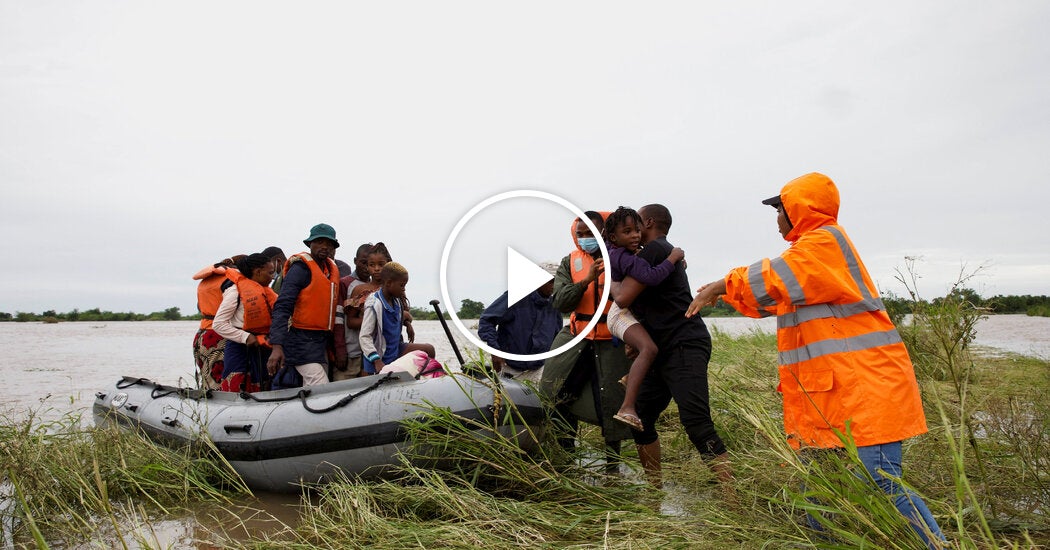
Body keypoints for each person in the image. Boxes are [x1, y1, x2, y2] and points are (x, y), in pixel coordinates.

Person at [686, 173, 944, 546]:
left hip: (868, 389)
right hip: (834, 393)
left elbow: (776, 277)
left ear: (798, 209)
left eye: (779, 211)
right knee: (822, 485)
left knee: (882, 482)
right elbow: (769, 298)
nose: (777, 220)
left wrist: (723, 284)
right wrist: (727, 293)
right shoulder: (809, 256)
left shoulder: (824, 243)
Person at [612, 204, 731, 486]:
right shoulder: (658, 254)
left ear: (648, 222)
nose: (633, 231)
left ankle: (733, 499)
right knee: (640, 417)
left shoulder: (656, 250)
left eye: (636, 223)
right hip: (663, 347)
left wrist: (612, 281)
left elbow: (623, 297)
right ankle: (655, 492)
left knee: (697, 424)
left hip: (684, 344)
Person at [539, 211, 634, 465]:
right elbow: (560, 301)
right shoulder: (569, 262)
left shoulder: (624, 258)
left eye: (590, 233)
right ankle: (565, 457)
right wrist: (586, 281)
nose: (584, 239)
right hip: (576, 337)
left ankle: (612, 466)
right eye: (580, 234)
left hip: (612, 340)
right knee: (555, 394)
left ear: (605, 233)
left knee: (613, 401)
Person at [601, 206, 685, 432]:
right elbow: (651, 276)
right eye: (627, 232)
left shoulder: (616, 250)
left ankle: (631, 377)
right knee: (649, 349)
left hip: (626, 313)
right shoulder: (625, 258)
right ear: (614, 237)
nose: (635, 236)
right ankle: (627, 407)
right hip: (620, 314)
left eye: (636, 230)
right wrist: (672, 258)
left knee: (648, 348)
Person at [267, 223, 342, 388]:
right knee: (321, 386)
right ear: (310, 244)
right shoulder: (300, 269)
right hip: (299, 341)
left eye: (328, 243)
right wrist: (277, 346)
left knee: (315, 387)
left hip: (320, 342)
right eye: (319, 242)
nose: (324, 246)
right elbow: (282, 307)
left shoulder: (330, 270)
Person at [476, 263, 562, 384]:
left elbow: (557, 336)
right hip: (509, 368)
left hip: (538, 369)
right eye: (550, 281)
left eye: (557, 282)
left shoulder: (555, 305)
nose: (554, 286)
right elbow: (487, 320)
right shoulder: (515, 297)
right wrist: (495, 351)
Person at [213, 253, 278, 392]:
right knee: (238, 386)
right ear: (258, 272)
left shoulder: (267, 292)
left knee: (265, 384)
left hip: (264, 345)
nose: (273, 277)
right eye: (270, 273)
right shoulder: (235, 291)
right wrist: (245, 337)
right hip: (239, 348)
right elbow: (218, 324)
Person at [359, 261, 435, 374]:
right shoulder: (374, 304)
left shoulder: (396, 301)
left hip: (395, 349)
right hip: (380, 356)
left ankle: (428, 377)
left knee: (429, 349)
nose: (404, 289)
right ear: (389, 283)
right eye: (402, 285)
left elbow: (396, 318)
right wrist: (377, 361)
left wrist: (408, 325)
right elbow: (364, 337)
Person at [191, 255, 242, 390]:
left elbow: (200, 307)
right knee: (219, 382)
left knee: (207, 379)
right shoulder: (231, 281)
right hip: (219, 336)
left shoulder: (205, 281)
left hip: (202, 335)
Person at [332, 242, 375, 381]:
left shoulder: (377, 287)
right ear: (355, 261)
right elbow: (338, 318)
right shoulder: (345, 283)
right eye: (363, 262)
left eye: (370, 264)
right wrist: (340, 349)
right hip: (350, 353)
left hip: (370, 353)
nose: (366, 267)